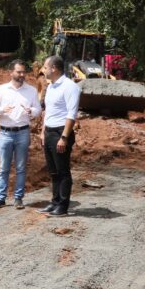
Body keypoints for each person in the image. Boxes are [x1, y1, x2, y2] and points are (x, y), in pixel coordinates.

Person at [0, 60, 41, 210]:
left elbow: (38, 109)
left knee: (21, 167)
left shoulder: (31, 91)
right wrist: (2, 110)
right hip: (5, 133)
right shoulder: (2, 90)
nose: (22, 74)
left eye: (23, 72)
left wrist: (31, 111)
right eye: (19, 72)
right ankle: (1, 198)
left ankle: (18, 198)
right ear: (11, 72)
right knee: (4, 167)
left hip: (23, 132)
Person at [38, 56, 82, 217]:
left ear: (54, 68)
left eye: (45, 67)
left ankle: (63, 206)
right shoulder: (51, 86)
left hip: (61, 132)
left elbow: (71, 114)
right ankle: (55, 201)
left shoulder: (70, 87)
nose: (43, 70)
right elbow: (48, 111)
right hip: (49, 132)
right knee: (53, 171)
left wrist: (64, 137)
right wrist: (43, 132)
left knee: (63, 171)